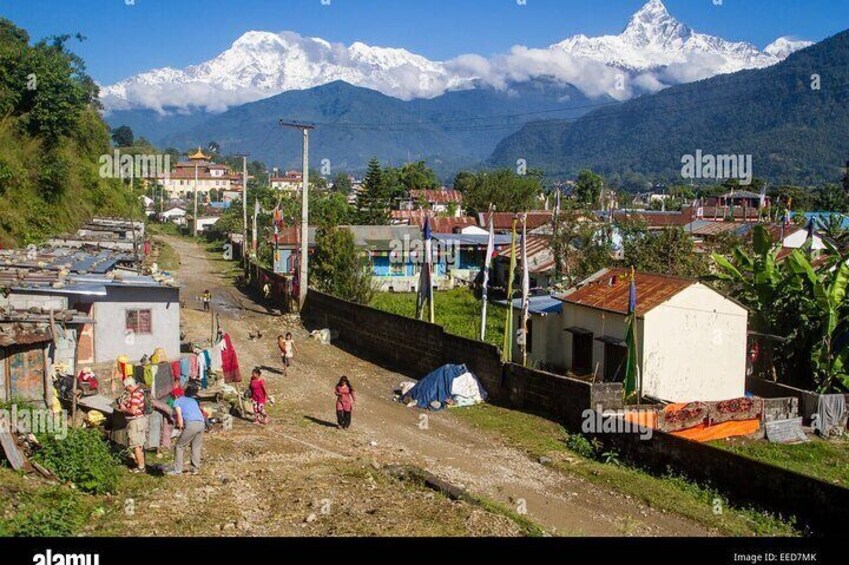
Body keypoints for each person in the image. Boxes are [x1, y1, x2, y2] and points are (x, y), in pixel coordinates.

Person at [168, 384, 205, 475]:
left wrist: (180, 429)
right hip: (201, 423)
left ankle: (177, 470)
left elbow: (180, 417)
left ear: (175, 395)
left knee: (179, 446)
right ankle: (195, 468)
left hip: (191, 424)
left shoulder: (177, 401)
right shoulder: (193, 400)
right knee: (196, 446)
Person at [118, 378, 147, 473]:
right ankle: (141, 462)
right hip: (141, 420)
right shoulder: (141, 391)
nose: (126, 390)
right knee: (140, 443)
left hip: (135, 422)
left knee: (136, 445)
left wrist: (124, 408)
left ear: (130, 386)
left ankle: (141, 467)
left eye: (127, 388)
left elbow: (133, 411)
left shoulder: (135, 395)